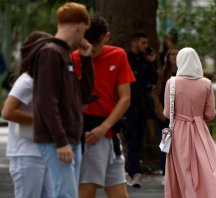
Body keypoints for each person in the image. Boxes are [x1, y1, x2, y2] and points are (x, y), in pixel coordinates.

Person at [21, 2, 94, 197]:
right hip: (58, 139)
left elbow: (84, 96)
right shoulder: (51, 53)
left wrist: (87, 59)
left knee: (66, 193)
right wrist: (60, 141)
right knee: (66, 194)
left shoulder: (64, 53)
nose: (83, 37)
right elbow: (46, 101)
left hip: (70, 137)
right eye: (84, 30)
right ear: (80, 26)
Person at [73, 16, 135, 198]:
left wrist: (105, 127)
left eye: (96, 46)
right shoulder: (73, 58)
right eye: (87, 44)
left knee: (119, 193)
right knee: (86, 190)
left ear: (106, 37)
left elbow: (125, 98)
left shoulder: (118, 55)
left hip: (110, 133)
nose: (90, 51)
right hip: (89, 134)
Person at [164, 47, 216, 198]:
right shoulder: (206, 83)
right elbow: (210, 114)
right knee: (204, 167)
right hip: (199, 130)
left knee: (182, 168)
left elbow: (168, 113)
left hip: (179, 131)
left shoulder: (172, 83)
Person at [2, 31, 53, 198]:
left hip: (42, 153)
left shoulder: (41, 79)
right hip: (26, 155)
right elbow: (7, 112)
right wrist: (40, 120)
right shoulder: (26, 81)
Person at [123, 33, 158, 188]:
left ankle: (134, 171)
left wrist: (151, 63)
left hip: (142, 106)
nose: (146, 46)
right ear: (134, 43)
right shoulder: (126, 58)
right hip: (127, 105)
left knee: (138, 139)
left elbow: (154, 80)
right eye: (143, 43)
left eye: (147, 43)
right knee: (130, 138)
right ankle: (131, 170)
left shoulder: (145, 60)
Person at [152, 46, 179, 185]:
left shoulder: (185, 74)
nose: (174, 56)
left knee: (180, 148)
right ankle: (165, 174)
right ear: (168, 57)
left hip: (181, 117)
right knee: (165, 146)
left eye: (177, 54)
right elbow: (155, 93)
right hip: (165, 117)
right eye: (172, 54)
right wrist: (160, 110)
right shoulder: (162, 73)